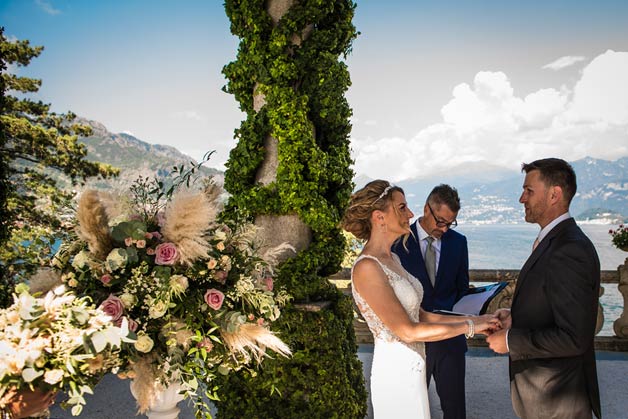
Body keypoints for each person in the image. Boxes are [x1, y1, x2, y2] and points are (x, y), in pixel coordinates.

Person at [342, 179, 499, 418]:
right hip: (395, 374)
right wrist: (470, 326)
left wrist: (479, 320)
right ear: (379, 217)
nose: (410, 213)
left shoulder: (392, 260)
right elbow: (407, 331)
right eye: (402, 207)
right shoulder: (367, 267)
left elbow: (423, 315)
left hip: (413, 368)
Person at [486, 158, 601, 419]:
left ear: (554, 194)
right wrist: (516, 316)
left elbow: (574, 337)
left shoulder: (569, 249)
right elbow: (554, 306)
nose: (521, 199)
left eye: (528, 191)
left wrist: (509, 340)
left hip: (557, 403)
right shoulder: (555, 240)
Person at [392, 184, 469, 419]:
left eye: (450, 223)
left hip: (450, 343)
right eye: (440, 221)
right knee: (411, 410)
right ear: (427, 208)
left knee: (455, 410)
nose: (444, 229)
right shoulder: (397, 241)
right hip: (413, 341)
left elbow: (461, 289)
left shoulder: (459, 242)